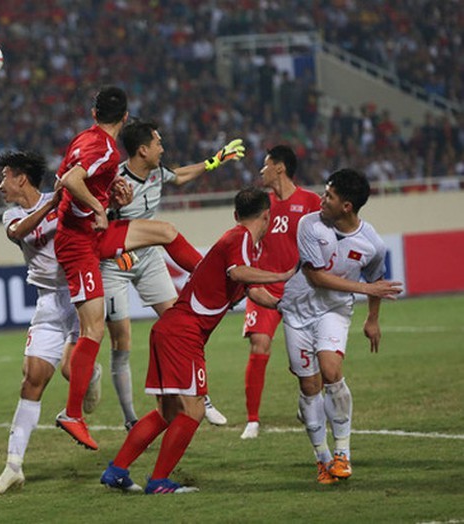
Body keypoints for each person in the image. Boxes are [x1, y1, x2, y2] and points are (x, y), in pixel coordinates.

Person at [54, 86, 221, 451]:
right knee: (98, 332)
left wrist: (107, 192)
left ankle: (74, 405)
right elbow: (70, 181)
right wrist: (100, 208)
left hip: (89, 237)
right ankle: (75, 412)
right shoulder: (104, 148)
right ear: (125, 118)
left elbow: (66, 177)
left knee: (163, 233)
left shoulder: (86, 139)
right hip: (82, 241)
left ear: (94, 113)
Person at [99, 187, 295, 494]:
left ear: (235, 214)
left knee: (167, 413)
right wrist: (281, 274)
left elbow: (249, 288)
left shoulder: (240, 243)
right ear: (267, 217)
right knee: (194, 410)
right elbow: (240, 272)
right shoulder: (241, 239)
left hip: (170, 330)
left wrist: (282, 304)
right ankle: (160, 481)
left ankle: (117, 470)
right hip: (184, 334)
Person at [102, 119, 246, 430]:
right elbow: (97, 218)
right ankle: (130, 418)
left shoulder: (156, 172)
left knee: (183, 325)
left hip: (149, 255)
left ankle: (200, 396)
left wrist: (215, 160)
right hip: (115, 262)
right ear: (142, 149)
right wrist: (112, 206)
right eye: (157, 142)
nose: (162, 147)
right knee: (121, 341)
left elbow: (179, 176)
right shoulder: (114, 180)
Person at [0, 151, 102, 495]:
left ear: (21, 178)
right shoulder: (16, 213)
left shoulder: (65, 198)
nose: (0, 184)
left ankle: (90, 372)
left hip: (79, 294)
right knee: (31, 380)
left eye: (4, 176)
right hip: (48, 303)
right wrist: (52, 206)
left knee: (70, 369)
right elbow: (18, 232)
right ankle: (13, 467)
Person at [278, 168, 402, 484]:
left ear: (346, 206)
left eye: (329, 195)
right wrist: (367, 291)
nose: (322, 198)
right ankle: (322, 459)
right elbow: (316, 277)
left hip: (333, 310)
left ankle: (343, 454)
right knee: (309, 387)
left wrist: (372, 319)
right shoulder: (309, 224)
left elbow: (376, 280)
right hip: (296, 311)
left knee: (332, 372)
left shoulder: (373, 244)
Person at [240, 145, 321, 440]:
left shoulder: (311, 202)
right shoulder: (261, 205)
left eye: (265, 165)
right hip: (263, 285)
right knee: (259, 343)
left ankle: (308, 401)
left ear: (280, 167)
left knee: (314, 352)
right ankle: (252, 420)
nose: (260, 171)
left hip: (301, 288)